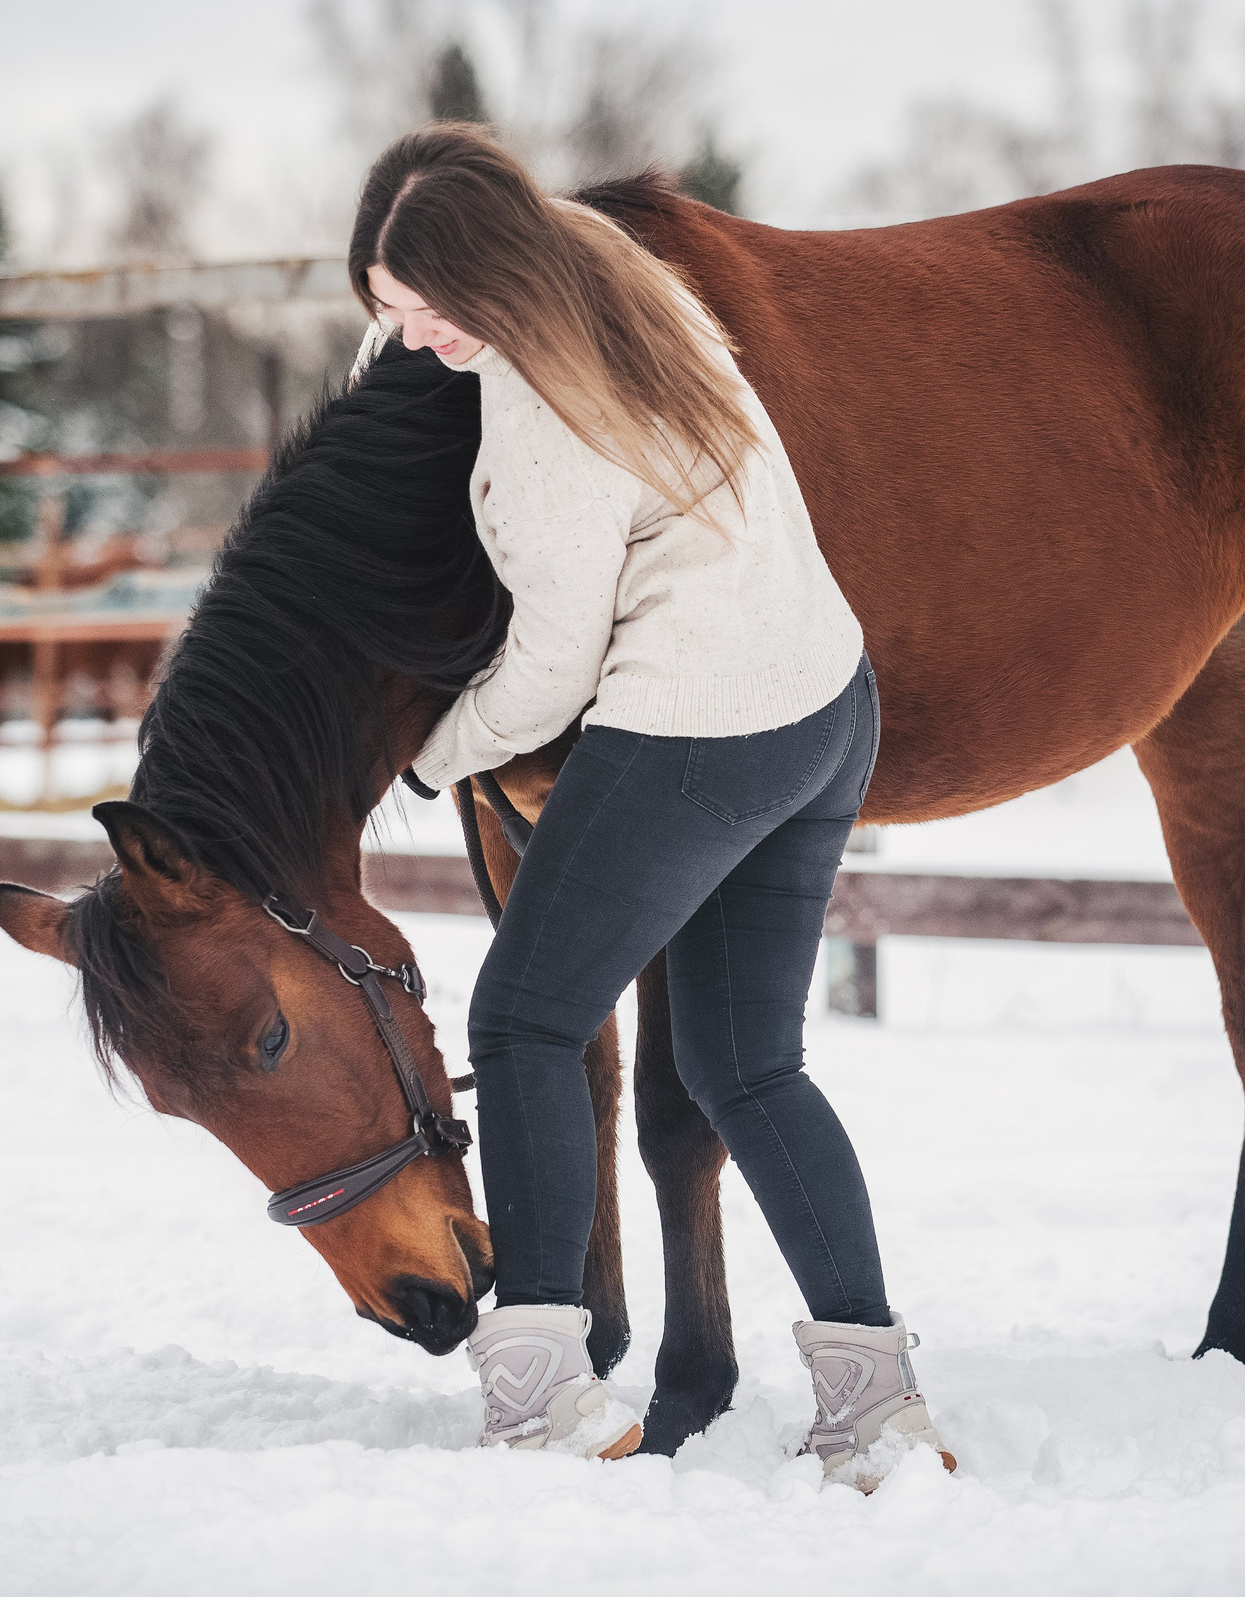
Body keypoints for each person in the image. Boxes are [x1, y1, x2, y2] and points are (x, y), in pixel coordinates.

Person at [345, 124, 951, 1486]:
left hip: (698, 726)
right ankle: (875, 1401)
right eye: (383, 312)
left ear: (485, 276)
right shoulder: (618, 279)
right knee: (747, 1062)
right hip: (824, 706)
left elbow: (554, 664)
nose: (407, 336)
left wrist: (428, 755)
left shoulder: (539, 410)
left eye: (419, 306)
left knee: (522, 1016)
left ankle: (545, 1388)